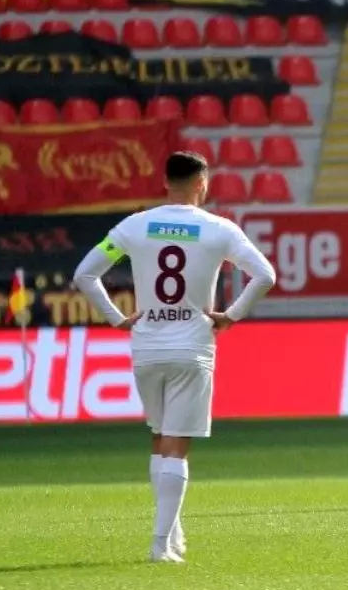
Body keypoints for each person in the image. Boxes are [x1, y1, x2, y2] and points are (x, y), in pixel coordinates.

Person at [73, 151, 277, 563]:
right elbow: (265, 275)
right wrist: (231, 316)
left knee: (159, 436)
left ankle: (173, 532)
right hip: (192, 347)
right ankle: (159, 545)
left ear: (165, 182)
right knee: (176, 446)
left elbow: (84, 275)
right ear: (202, 184)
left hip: (146, 346)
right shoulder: (220, 229)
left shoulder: (134, 225)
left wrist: (115, 318)